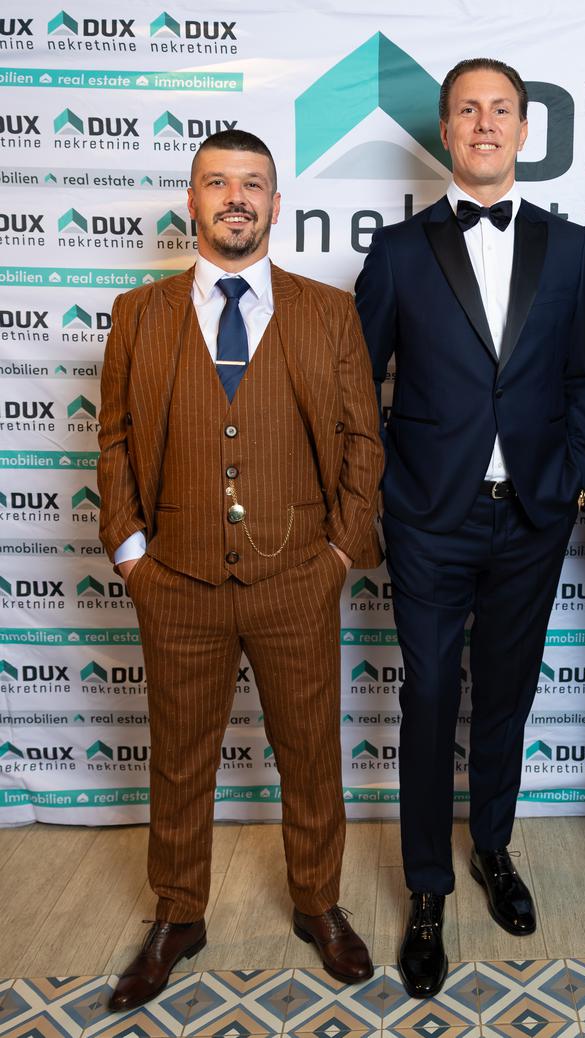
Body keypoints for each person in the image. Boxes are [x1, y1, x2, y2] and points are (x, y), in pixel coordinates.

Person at [97, 129, 384, 1011]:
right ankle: (179, 914)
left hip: (297, 576)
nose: (235, 197)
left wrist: (339, 554)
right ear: (192, 201)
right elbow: (114, 442)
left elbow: (362, 441)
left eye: (252, 183)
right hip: (176, 581)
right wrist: (132, 555)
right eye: (217, 182)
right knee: (180, 760)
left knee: (311, 754)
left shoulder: (327, 312)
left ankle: (318, 901)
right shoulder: (138, 314)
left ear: (275, 204)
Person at [355, 57, 585, 997]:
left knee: (505, 695)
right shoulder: (398, 251)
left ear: (524, 130)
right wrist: (388, 492)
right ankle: (427, 888)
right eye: (468, 110)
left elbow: (583, 375)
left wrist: (571, 477)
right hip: (429, 518)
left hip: (533, 514)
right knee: (427, 699)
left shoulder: (569, 248)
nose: (486, 123)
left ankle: (493, 846)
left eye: (501, 109)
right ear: (447, 132)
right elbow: (356, 387)